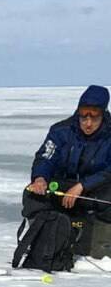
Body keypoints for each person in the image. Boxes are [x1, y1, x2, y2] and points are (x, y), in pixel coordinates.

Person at [23, 85, 111, 259]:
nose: (88, 122)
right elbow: (46, 157)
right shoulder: (60, 131)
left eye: (94, 117)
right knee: (32, 194)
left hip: (96, 187)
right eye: (83, 116)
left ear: (103, 114)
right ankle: (41, 242)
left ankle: (99, 251)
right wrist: (40, 178)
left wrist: (83, 186)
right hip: (63, 186)